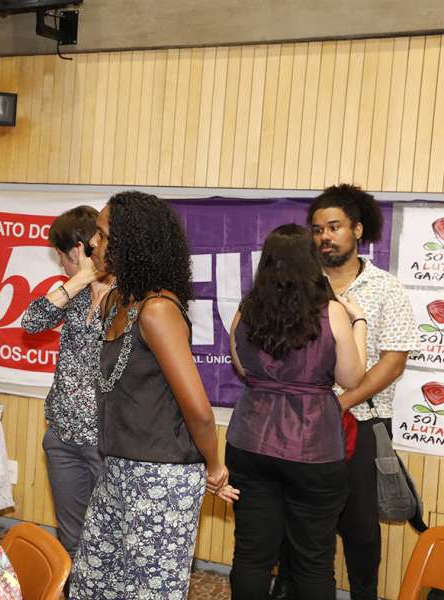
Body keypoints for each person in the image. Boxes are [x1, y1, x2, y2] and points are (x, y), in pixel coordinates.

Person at [70, 191, 237, 600]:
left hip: (162, 475)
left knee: (148, 593)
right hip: (117, 467)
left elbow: (198, 411)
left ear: (131, 242)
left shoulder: (158, 309)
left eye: (103, 234)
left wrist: (214, 466)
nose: (92, 242)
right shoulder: (115, 300)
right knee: (90, 585)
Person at [271, 185, 419, 600]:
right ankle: (286, 589)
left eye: (334, 227)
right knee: (294, 515)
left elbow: (393, 361)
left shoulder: (386, 288)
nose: (325, 237)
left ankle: (363, 593)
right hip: (300, 422)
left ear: (357, 229)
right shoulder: (298, 285)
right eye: (317, 229)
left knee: (360, 526)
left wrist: (341, 403)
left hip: (361, 420)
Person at [226, 224, 367, 600]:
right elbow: (352, 379)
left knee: (251, 555)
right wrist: (359, 322)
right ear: (311, 261)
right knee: (313, 562)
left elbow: (243, 367)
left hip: (250, 441)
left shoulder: (246, 310)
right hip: (313, 447)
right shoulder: (332, 312)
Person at [21, 205, 112, 561]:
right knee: (72, 539)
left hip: (107, 442)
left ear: (76, 250)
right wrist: (79, 280)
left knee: (107, 541)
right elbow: (31, 322)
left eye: (61, 255)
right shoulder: (72, 294)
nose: (60, 264)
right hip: (62, 436)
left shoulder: (127, 296)